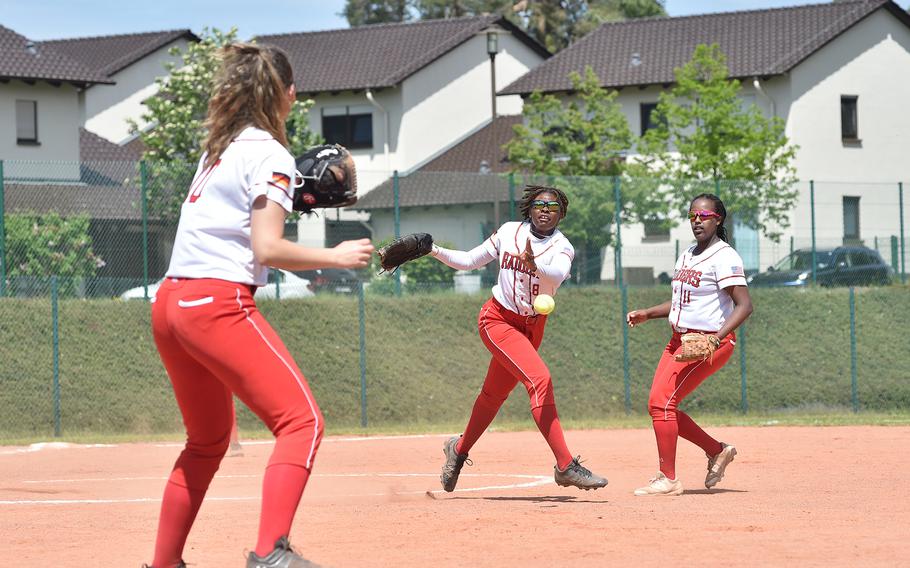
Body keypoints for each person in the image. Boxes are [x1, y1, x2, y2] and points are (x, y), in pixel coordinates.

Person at [144, 43, 373, 568]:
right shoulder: (269, 153)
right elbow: (266, 248)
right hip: (213, 302)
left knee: (206, 443)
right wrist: (333, 257)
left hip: (171, 302)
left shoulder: (219, 148)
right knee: (302, 423)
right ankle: (271, 553)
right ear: (287, 94)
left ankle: (163, 565)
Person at [430, 185, 609, 492]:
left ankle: (457, 451)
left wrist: (534, 265)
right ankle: (565, 466)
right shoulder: (509, 232)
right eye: (540, 204)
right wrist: (431, 249)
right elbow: (469, 260)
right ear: (530, 208)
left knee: (492, 397)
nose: (545, 210)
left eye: (553, 207)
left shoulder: (562, 246)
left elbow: (556, 274)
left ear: (561, 214)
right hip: (497, 319)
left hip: (532, 327)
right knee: (540, 380)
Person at [626, 193, 753, 496]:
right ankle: (717, 450)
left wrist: (716, 338)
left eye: (704, 216)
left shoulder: (725, 256)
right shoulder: (687, 255)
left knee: (662, 403)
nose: (697, 220)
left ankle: (668, 479)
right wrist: (648, 313)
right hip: (679, 340)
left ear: (718, 219)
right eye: (693, 215)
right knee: (660, 405)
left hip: (708, 342)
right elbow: (681, 302)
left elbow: (744, 305)